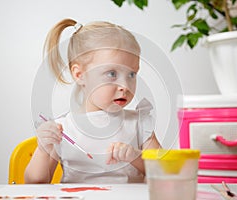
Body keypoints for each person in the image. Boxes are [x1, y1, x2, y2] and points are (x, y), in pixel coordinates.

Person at [25, 18, 161, 184]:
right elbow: (35, 182)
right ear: (79, 74)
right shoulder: (62, 129)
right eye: (112, 73)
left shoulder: (139, 123)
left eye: (131, 74)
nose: (125, 86)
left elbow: (163, 172)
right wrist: (43, 149)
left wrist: (136, 157)